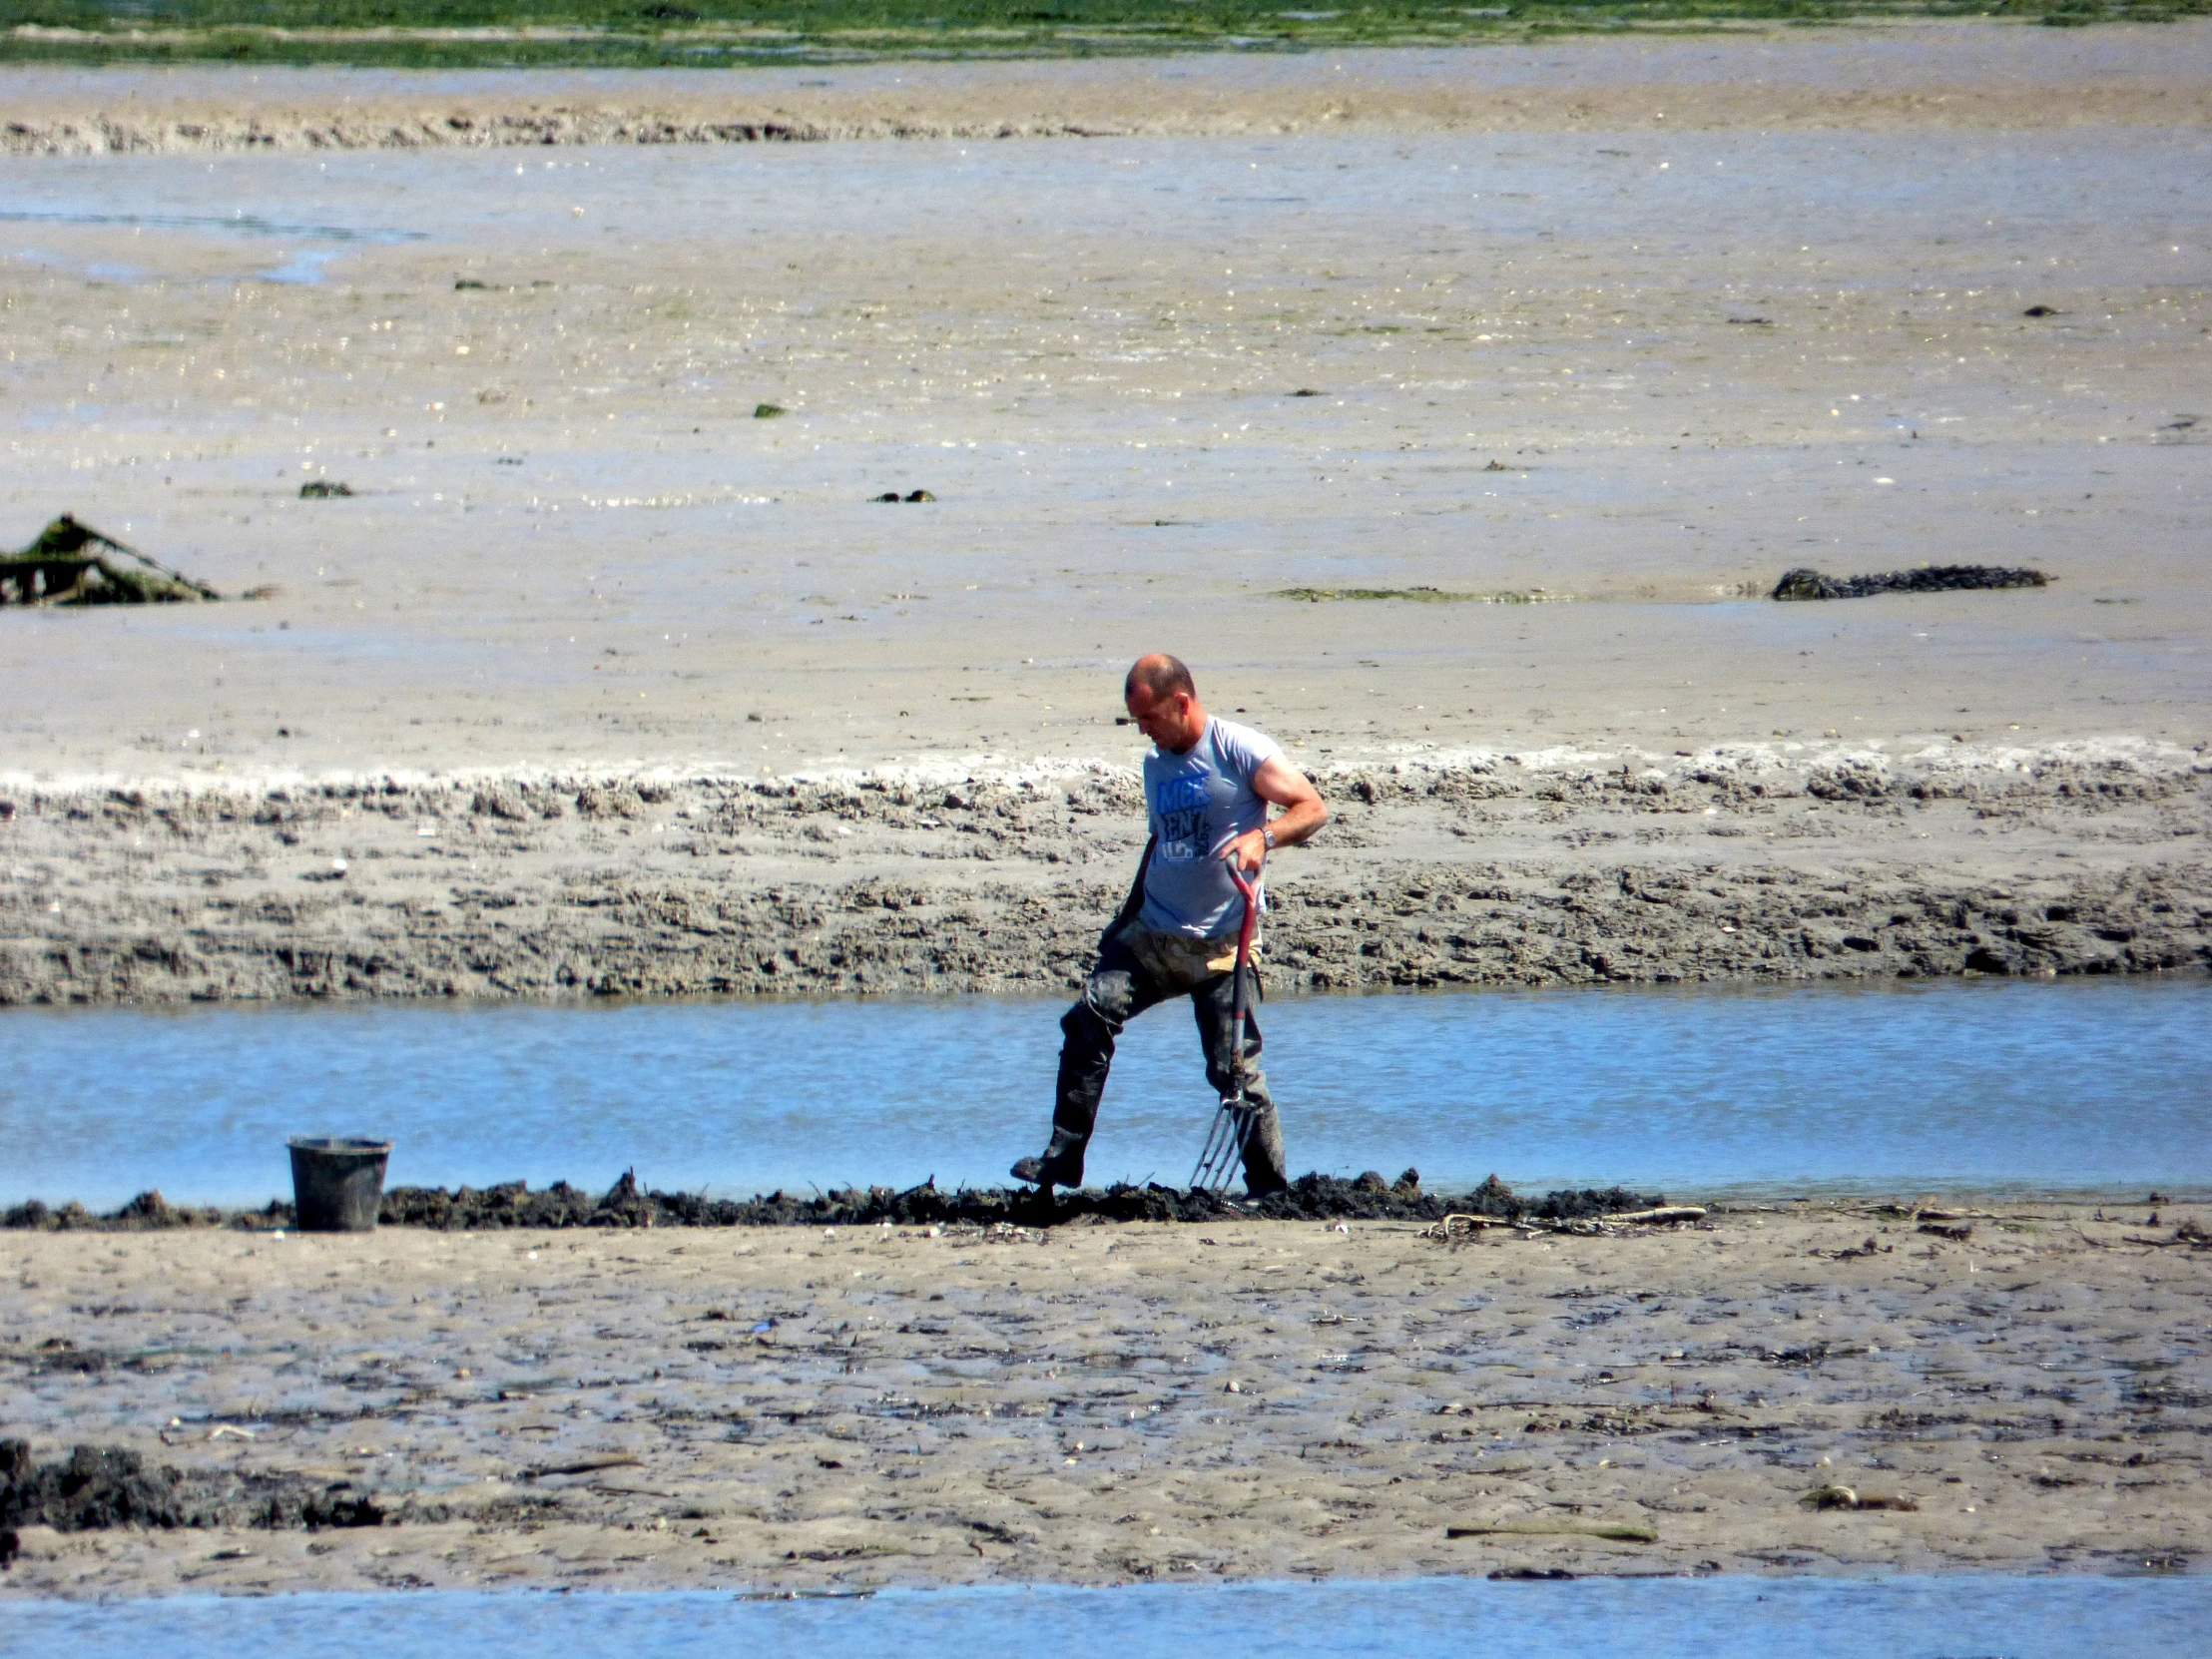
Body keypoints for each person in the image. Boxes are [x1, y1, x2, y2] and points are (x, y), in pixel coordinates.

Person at [1012, 654, 1328, 1197]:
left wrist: (1265, 837)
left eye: (1150, 718)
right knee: (1088, 1018)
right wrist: (1125, 916)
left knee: (1235, 1072)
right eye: (1137, 722)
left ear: (1182, 702)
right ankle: (1064, 1157)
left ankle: (1271, 1191)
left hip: (1223, 945)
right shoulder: (1156, 764)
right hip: (1153, 937)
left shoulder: (1239, 749)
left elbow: (1312, 807)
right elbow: (1161, 842)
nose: (1144, 731)